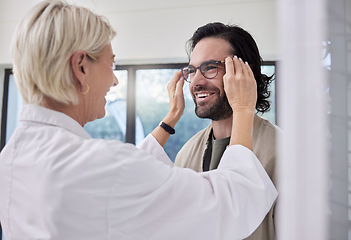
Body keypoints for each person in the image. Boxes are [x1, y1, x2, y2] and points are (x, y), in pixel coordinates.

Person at [0, 2, 277, 240]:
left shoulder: (11, 159)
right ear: (81, 67)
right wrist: (243, 107)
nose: (114, 79)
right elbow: (233, 202)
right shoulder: (108, 167)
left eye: (210, 67)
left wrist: (170, 121)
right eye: (111, 64)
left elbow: (127, 178)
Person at [175, 22, 281, 240]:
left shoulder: (282, 151)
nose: (196, 81)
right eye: (192, 70)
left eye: (210, 67)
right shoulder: (186, 154)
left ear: (244, 73)